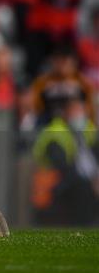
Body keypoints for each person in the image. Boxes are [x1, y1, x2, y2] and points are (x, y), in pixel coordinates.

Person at [32, 97, 99, 226]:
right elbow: (63, 168)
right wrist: (92, 182)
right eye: (75, 111)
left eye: (82, 111)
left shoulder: (86, 130)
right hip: (59, 184)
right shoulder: (55, 133)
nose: (80, 116)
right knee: (82, 187)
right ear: (65, 113)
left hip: (87, 179)